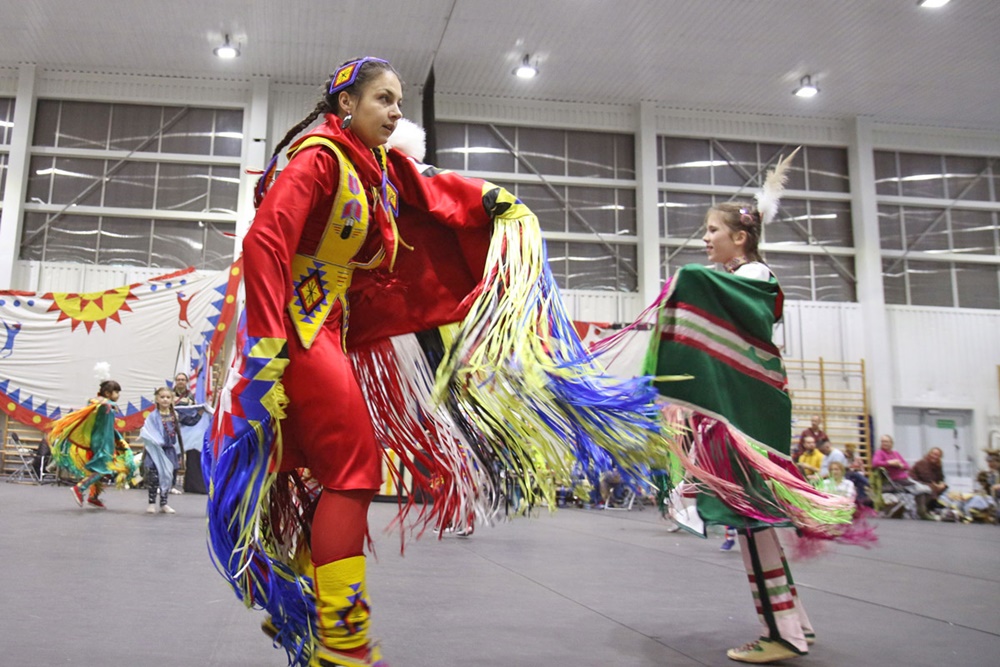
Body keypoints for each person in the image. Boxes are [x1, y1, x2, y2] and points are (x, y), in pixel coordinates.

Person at [204, 56, 663, 667]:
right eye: (383, 100)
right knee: (354, 473)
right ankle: (342, 646)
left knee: (328, 476)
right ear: (346, 104)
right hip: (298, 335)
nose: (396, 113)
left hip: (326, 334)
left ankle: (315, 608)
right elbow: (265, 240)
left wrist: (494, 206)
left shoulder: (371, 168)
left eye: (398, 102)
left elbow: (430, 193)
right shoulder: (320, 158)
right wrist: (264, 349)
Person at [645, 149, 855, 664]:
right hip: (742, 415)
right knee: (753, 522)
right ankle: (794, 623)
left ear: (740, 237)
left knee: (754, 521)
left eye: (712, 230)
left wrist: (685, 284)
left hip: (750, 416)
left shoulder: (755, 278)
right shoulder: (745, 276)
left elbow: (714, 295)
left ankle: (782, 635)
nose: (705, 239)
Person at [48, 378, 139, 509]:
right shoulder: (103, 403)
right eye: (116, 392)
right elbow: (96, 402)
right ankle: (80, 487)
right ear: (108, 393)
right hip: (102, 441)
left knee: (101, 466)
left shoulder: (107, 405)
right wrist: (106, 402)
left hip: (106, 439)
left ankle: (93, 496)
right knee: (104, 466)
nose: (118, 395)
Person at [139, 387, 184, 514]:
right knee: (154, 477)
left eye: (168, 397)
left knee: (167, 476)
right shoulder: (153, 416)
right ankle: (151, 502)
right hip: (155, 451)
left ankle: (164, 503)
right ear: (157, 399)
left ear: (172, 399)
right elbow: (147, 431)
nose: (165, 400)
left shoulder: (174, 415)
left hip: (168, 451)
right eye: (162, 397)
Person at [872, 435, 933, 519]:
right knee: (923, 489)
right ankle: (921, 512)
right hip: (895, 480)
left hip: (905, 478)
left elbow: (907, 466)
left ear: (891, 443)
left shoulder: (895, 453)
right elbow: (875, 463)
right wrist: (890, 463)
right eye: (882, 441)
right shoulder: (879, 453)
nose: (884, 443)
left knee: (927, 490)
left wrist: (900, 465)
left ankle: (921, 510)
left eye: (886, 441)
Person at [910, 447, 948, 514]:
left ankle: (935, 503)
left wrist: (942, 484)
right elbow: (926, 477)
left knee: (944, 486)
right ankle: (931, 505)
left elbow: (941, 478)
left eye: (937, 455)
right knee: (931, 487)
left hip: (928, 483)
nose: (935, 457)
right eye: (933, 454)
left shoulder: (937, 465)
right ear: (929, 454)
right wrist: (937, 485)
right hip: (916, 482)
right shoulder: (922, 463)